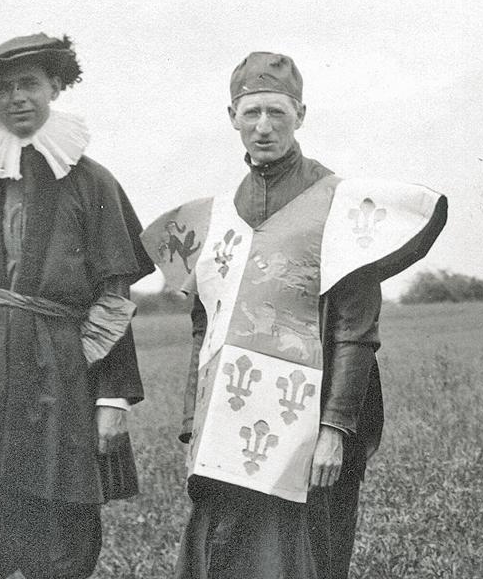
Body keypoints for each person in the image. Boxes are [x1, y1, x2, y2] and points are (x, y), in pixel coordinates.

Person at [142, 52, 446, 579]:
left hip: (308, 430)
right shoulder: (215, 217)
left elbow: (356, 329)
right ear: (232, 117)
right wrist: (194, 427)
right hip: (227, 429)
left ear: (300, 115)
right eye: (251, 112)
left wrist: (334, 431)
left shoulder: (341, 204)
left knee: (306, 559)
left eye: (277, 113)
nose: (264, 127)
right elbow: (203, 327)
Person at [0, 33, 154, 579]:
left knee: (63, 526)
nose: (17, 97)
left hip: (62, 373)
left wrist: (113, 397)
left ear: (56, 87)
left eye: (30, 84)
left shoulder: (92, 180)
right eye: (4, 88)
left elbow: (115, 295)